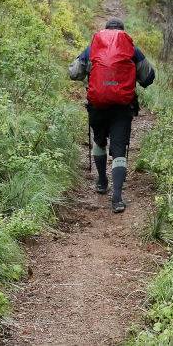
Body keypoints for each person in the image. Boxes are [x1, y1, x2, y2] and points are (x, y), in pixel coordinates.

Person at [68, 17, 155, 213]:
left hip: (97, 105)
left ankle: (101, 181)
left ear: (105, 31)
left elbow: (74, 73)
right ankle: (116, 198)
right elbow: (148, 78)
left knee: (99, 142)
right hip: (122, 107)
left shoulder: (93, 48)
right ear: (122, 31)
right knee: (118, 149)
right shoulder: (131, 49)